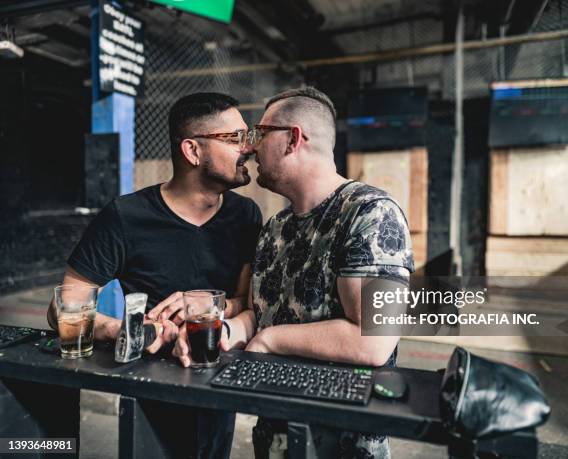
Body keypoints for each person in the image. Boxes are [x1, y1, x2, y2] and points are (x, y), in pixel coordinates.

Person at [173, 87, 414, 458]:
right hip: (276, 436)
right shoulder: (274, 228)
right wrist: (217, 333)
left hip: (345, 445)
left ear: (293, 140)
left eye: (261, 134)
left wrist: (272, 340)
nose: (250, 147)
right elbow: (260, 314)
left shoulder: (371, 215)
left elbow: (374, 341)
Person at [47, 92, 262, 459]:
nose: (250, 148)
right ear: (193, 151)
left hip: (217, 387)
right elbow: (63, 309)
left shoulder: (246, 216)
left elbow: (246, 304)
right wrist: (129, 331)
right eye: (236, 138)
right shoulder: (125, 217)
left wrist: (207, 307)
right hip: (149, 393)